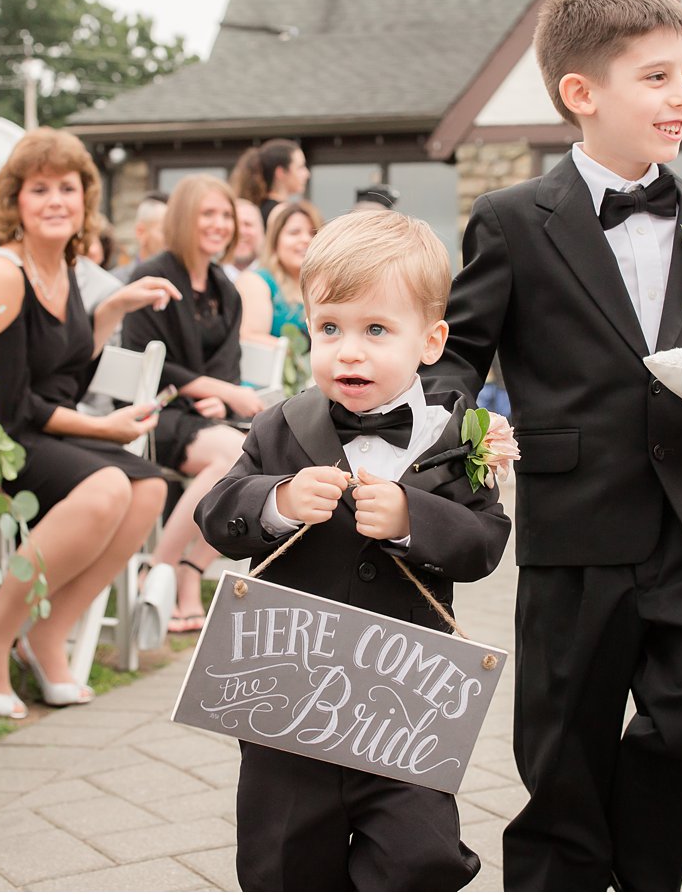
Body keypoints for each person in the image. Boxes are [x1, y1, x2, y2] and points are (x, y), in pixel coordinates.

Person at [427, 0, 682, 890]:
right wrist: (451, 440)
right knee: (564, 752)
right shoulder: (512, 220)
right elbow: (460, 356)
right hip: (575, 527)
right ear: (581, 94)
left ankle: (644, 874)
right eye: (657, 76)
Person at [200, 210, 511, 890]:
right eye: (330, 328)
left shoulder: (458, 435)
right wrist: (276, 502)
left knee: (419, 857)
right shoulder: (281, 425)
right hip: (287, 702)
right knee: (281, 862)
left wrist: (412, 517)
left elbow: (485, 541)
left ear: (430, 341)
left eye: (376, 330)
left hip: (407, 704)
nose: (350, 350)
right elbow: (216, 515)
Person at [0, 128, 179, 718]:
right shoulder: (3, 273)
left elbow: (65, 376)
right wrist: (102, 431)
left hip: (38, 434)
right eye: (39, 189)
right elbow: (5, 407)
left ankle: (48, 634)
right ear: (15, 202)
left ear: (86, 200)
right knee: (108, 485)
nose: (56, 200)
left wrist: (112, 310)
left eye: (68, 188)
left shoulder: (65, 265)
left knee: (149, 486)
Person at [122, 175, 265, 633]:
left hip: (207, 422)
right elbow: (152, 367)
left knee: (260, 456)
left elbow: (227, 365)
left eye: (226, 215)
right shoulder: (153, 279)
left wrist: (221, 403)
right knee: (231, 455)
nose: (221, 224)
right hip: (153, 416)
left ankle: (189, 572)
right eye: (209, 214)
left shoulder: (226, 288)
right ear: (184, 217)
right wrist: (222, 393)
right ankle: (157, 572)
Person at [236, 198, 323, 346]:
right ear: (275, 241)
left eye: (312, 233)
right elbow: (250, 338)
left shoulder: (327, 285)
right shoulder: (257, 282)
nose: (305, 239)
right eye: (294, 232)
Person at [229, 138, 310, 225]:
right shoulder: (280, 214)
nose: (307, 174)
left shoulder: (258, 210)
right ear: (281, 172)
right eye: (300, 167)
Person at [112, 191, 168, 282]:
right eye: (165, 231)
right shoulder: (115, 282)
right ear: (141, 232)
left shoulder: (186, 281)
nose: (172, 239)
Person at [222, 197, 264, 282]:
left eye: (248, 224)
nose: (241, 231)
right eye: (235, 225)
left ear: (262, 231)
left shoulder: (277, 279)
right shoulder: (208, 278)